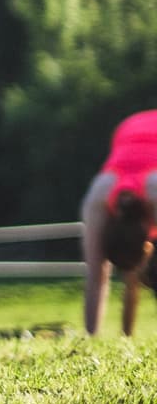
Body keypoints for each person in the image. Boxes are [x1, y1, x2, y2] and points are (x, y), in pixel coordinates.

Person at [80, 110, 157, 337]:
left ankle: (121, 334)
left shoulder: (98, 198)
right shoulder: (98, 199)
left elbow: (96, 274)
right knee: (132, 276)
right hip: (128, 130)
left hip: (133, 127)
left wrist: (89, 334)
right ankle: (126, 335)